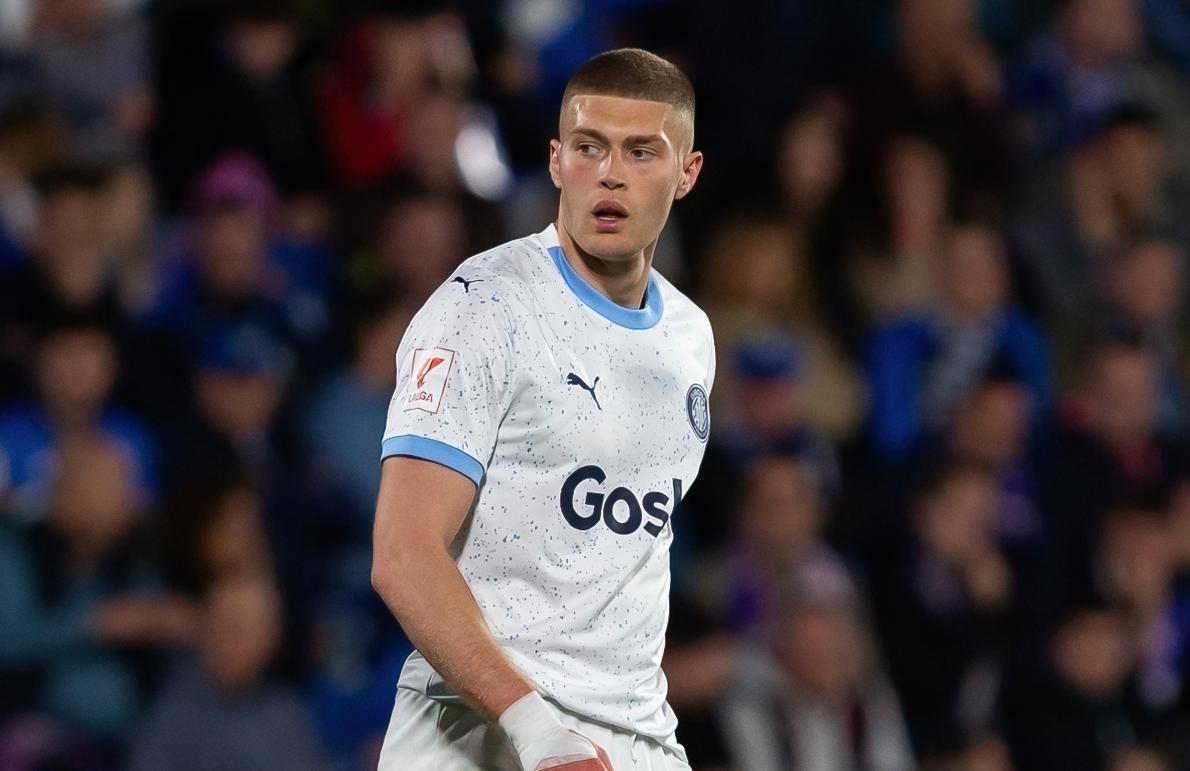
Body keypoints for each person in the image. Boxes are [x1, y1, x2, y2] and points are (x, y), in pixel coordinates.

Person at [371, 48, 710, 771]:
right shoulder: (483, 308)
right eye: (589, 147)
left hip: (634, 734)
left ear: (687, 173)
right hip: (477, 728)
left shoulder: (691, 339)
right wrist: (537, 730)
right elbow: (403, 553)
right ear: (557, 161)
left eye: (641, 152)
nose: (610, 173)